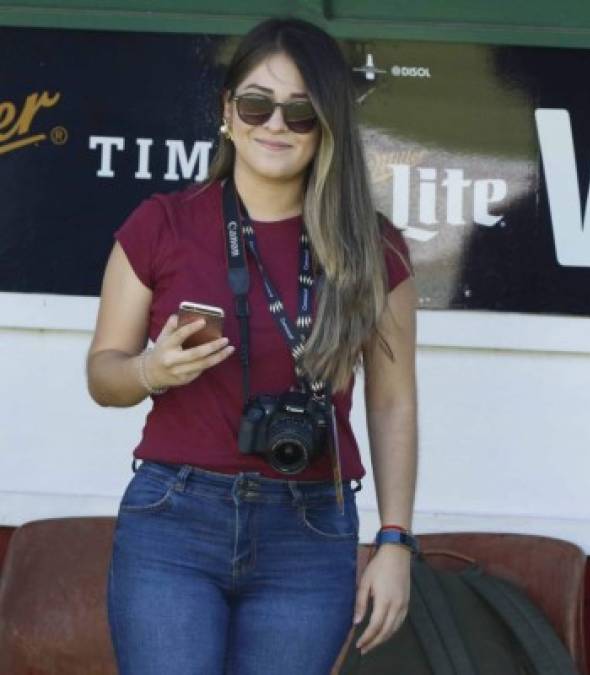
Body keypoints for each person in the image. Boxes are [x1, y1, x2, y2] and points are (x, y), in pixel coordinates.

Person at [86, 16, 418, 675]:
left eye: (300, 113)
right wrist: (151, 368)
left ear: (327, 127)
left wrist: (394, 541)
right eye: (257, 104)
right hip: (174, 517)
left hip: (312, 525)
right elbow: (103, 374)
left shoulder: (370, 247)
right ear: (226, 112)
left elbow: (391, 402)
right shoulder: (161, 223)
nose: (274, 126)